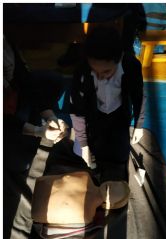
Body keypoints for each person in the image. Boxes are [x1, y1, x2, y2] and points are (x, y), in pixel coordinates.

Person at [69, 25, 146, 183]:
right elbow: (77, 108)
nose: (100, 77)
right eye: (95, 71)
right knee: (87, 153)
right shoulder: (82, 70)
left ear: (119, 58)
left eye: (106, 72)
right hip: (94, 113)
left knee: (120, 155)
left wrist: (139, 125)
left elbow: (139, 97)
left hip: (119, 113)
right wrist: (83, 144)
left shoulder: (131, 66)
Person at [4, 35, 68, 168]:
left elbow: (25, 79)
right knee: (17, 161)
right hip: (6, 117)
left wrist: (50, 116)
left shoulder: (5, 42)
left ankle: (36, 125)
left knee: (52, 81)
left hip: (13, 95)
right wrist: (37, 131)